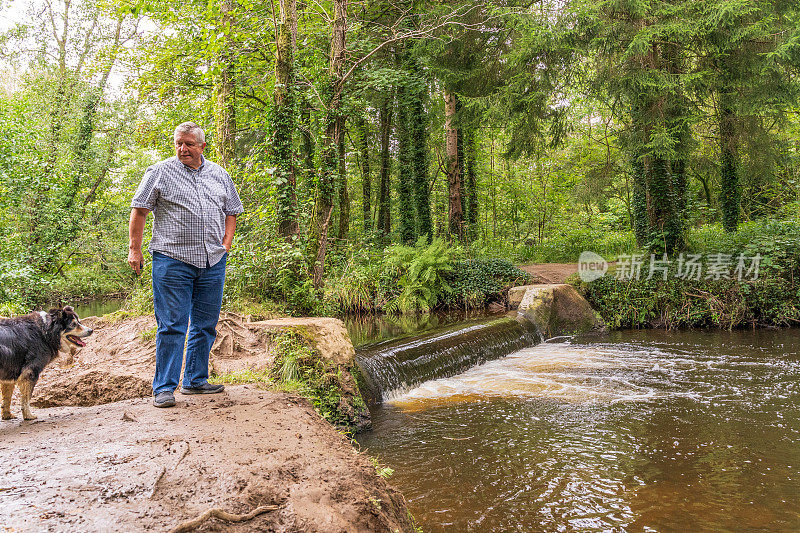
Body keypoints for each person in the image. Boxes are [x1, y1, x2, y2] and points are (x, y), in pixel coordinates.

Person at [128, 122, 244, 408]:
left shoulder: (219, 174)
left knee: (205, 325)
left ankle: (195, 380)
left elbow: (232, 211)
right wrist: (134, 249)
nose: (183, 149)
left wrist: (226, 244)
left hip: (212, 261)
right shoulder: (159, 172)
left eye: (189, 144)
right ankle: (164, 388)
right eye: (179, 143)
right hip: (172, 260)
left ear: (202, 146)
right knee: (171, 325)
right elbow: (139, 210)